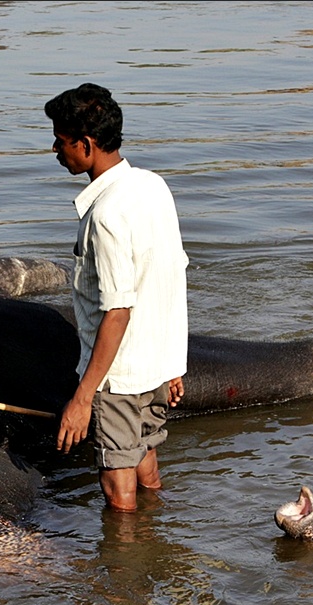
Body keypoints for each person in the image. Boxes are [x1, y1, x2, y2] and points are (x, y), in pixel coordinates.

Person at [44, 83, 188, 512]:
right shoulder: (153, 186)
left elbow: (118, 310)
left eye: (61, 140)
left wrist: (83, 398)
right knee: (146, 465)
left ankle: (123, 574)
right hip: (155, 369)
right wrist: (173, 365)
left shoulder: (105, 215)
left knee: (116, 489)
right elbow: (170, 275)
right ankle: (158, 543)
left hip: (118, 377)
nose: (55, 149)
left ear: (86, 145)